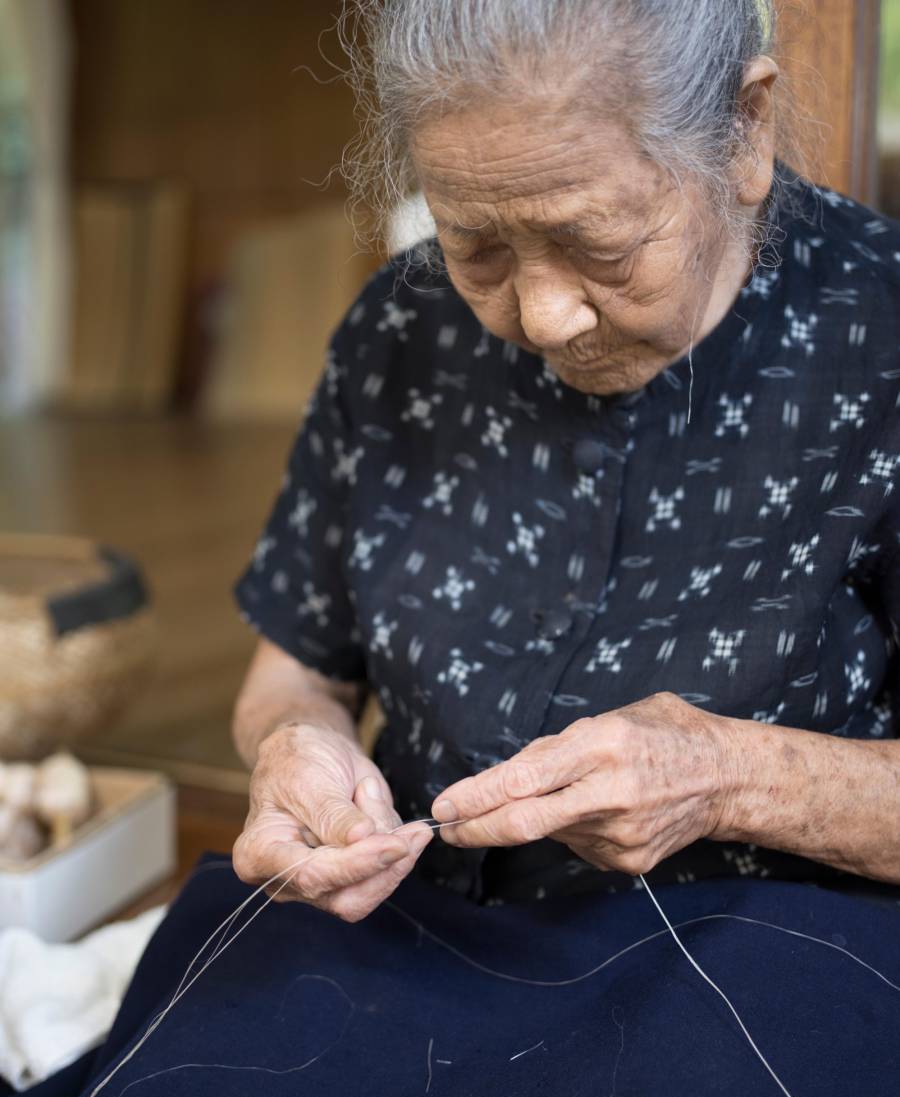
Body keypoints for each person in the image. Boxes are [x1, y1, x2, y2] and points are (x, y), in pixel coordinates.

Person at [232, 0, 900, 920]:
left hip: (756, 959)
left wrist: (728, 779)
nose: (543, 318)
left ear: (745, 128)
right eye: (478, 248)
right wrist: (295, 745)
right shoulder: (399, 328)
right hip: (411, 925)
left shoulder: (882, 334)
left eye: (600, 246)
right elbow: (298, 669)